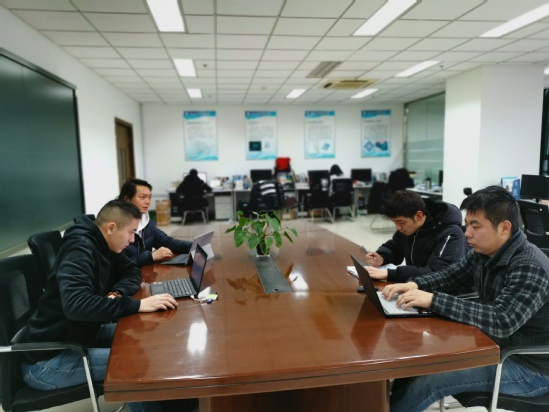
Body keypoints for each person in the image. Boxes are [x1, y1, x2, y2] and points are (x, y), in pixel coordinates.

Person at [383, 186, 549, 412]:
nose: (467, 233)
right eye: (467, 224)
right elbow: (451, 277)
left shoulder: (529, 266)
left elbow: (503, 320)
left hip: (530, 367)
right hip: (494, 345)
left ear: (504, 227)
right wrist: (415, 284)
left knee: (431, 379)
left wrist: (433, 300)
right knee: (419, 361)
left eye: (475, 226)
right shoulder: (484, 252)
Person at [21, 200, 178, 412]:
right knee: (135, 362)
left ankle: (171, 402)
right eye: (131, 232)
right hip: (49, 359)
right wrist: (136, 304)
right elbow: (76, 305)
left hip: (84, 333)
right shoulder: (79, 249)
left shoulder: (107, 244)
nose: (132, 240)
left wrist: (118, 293)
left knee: (148, 340)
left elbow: (132, 271)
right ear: (111, 228)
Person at [365, 190, 469, 282]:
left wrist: (390, 274)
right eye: (394, 222)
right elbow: (394, 247)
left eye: (401, 222)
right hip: (416, 285)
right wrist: (382, 257)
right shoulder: (409, 228)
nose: (397, 227)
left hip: (441, 291)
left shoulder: (451, 234)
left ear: (419, 216)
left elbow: (436, 273)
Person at [118, 178, 192, 267]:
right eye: (143, 197)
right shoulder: (115, 227)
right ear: (127, 199)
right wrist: (150, 256)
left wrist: (194, 246)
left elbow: (167, 242)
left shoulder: (144, 220)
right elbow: (116, 266)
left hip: (144, 272)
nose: (148, 202)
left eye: (149, 197)